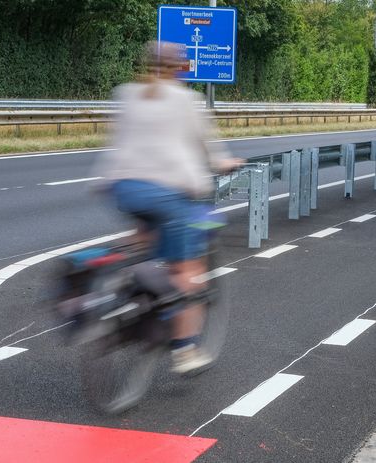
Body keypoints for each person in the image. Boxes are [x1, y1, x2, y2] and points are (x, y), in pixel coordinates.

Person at [93, 41, 242, 374]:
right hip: (168, 196)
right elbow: (209, 151)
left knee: (143, 242)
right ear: (182, 68)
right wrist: (225, 163)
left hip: (125, 190)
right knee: (187, 272)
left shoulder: (126, 94)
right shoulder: (187, 101)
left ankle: (122, 289)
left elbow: (119, 144)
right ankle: (184, 350)